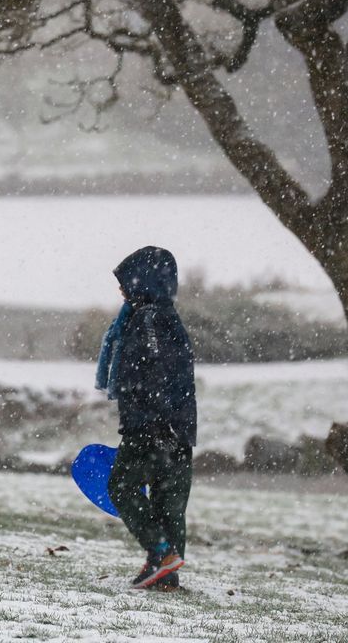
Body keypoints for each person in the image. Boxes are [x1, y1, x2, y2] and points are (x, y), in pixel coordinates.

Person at [95, 246, 197, 591]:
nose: (121, 291)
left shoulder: (148, 319)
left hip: (153, 427)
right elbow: (174, 376)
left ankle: (161, 553)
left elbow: (155, 374)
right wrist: (173, 425)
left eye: (126, 282)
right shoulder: (166, 316)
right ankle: (166, 575)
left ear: (145, 282)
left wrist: (154, 425)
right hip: (180, 427)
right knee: (169, 502)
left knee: (120, 486)